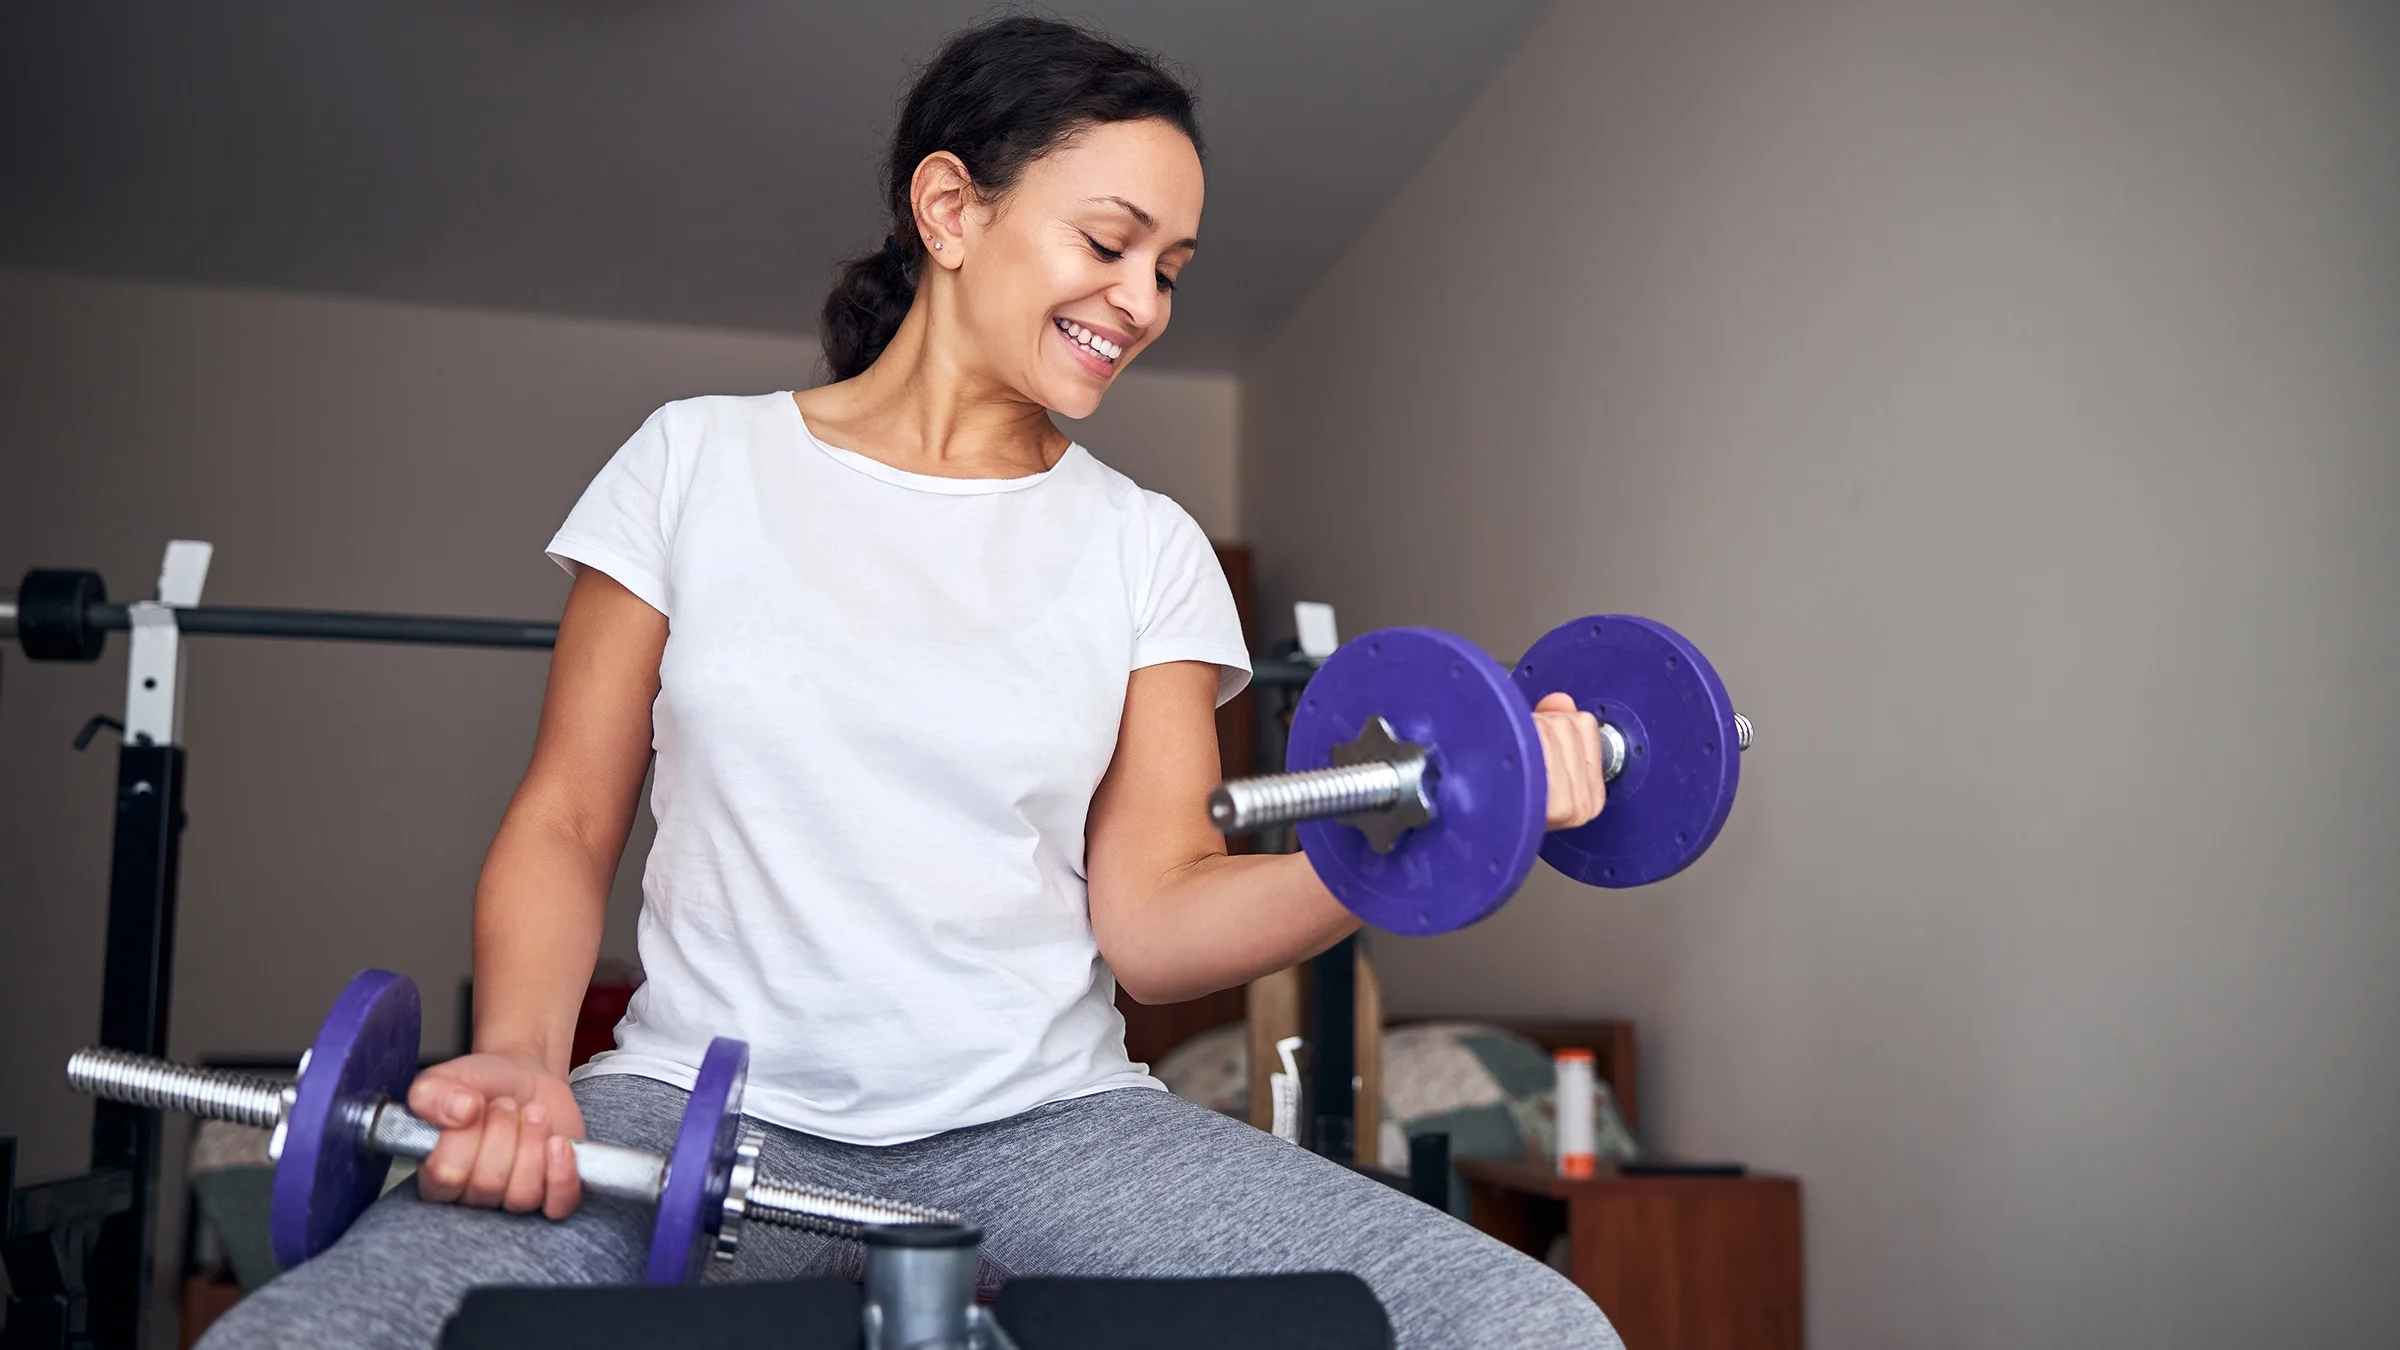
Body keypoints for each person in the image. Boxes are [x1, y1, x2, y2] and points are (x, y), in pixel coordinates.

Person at [203, 17, 1619, 1348]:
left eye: (1171, 269)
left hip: (1052, 1128)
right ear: (951, 211)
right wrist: (519, 1053)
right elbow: (571, 815)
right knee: (314, 1329)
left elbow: (1158, 919)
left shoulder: (1147, 549)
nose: (1141, 303)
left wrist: (1426, 846)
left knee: (1528, 1326)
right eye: (1111, 243)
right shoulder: (694, 464)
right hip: (694, 1103)